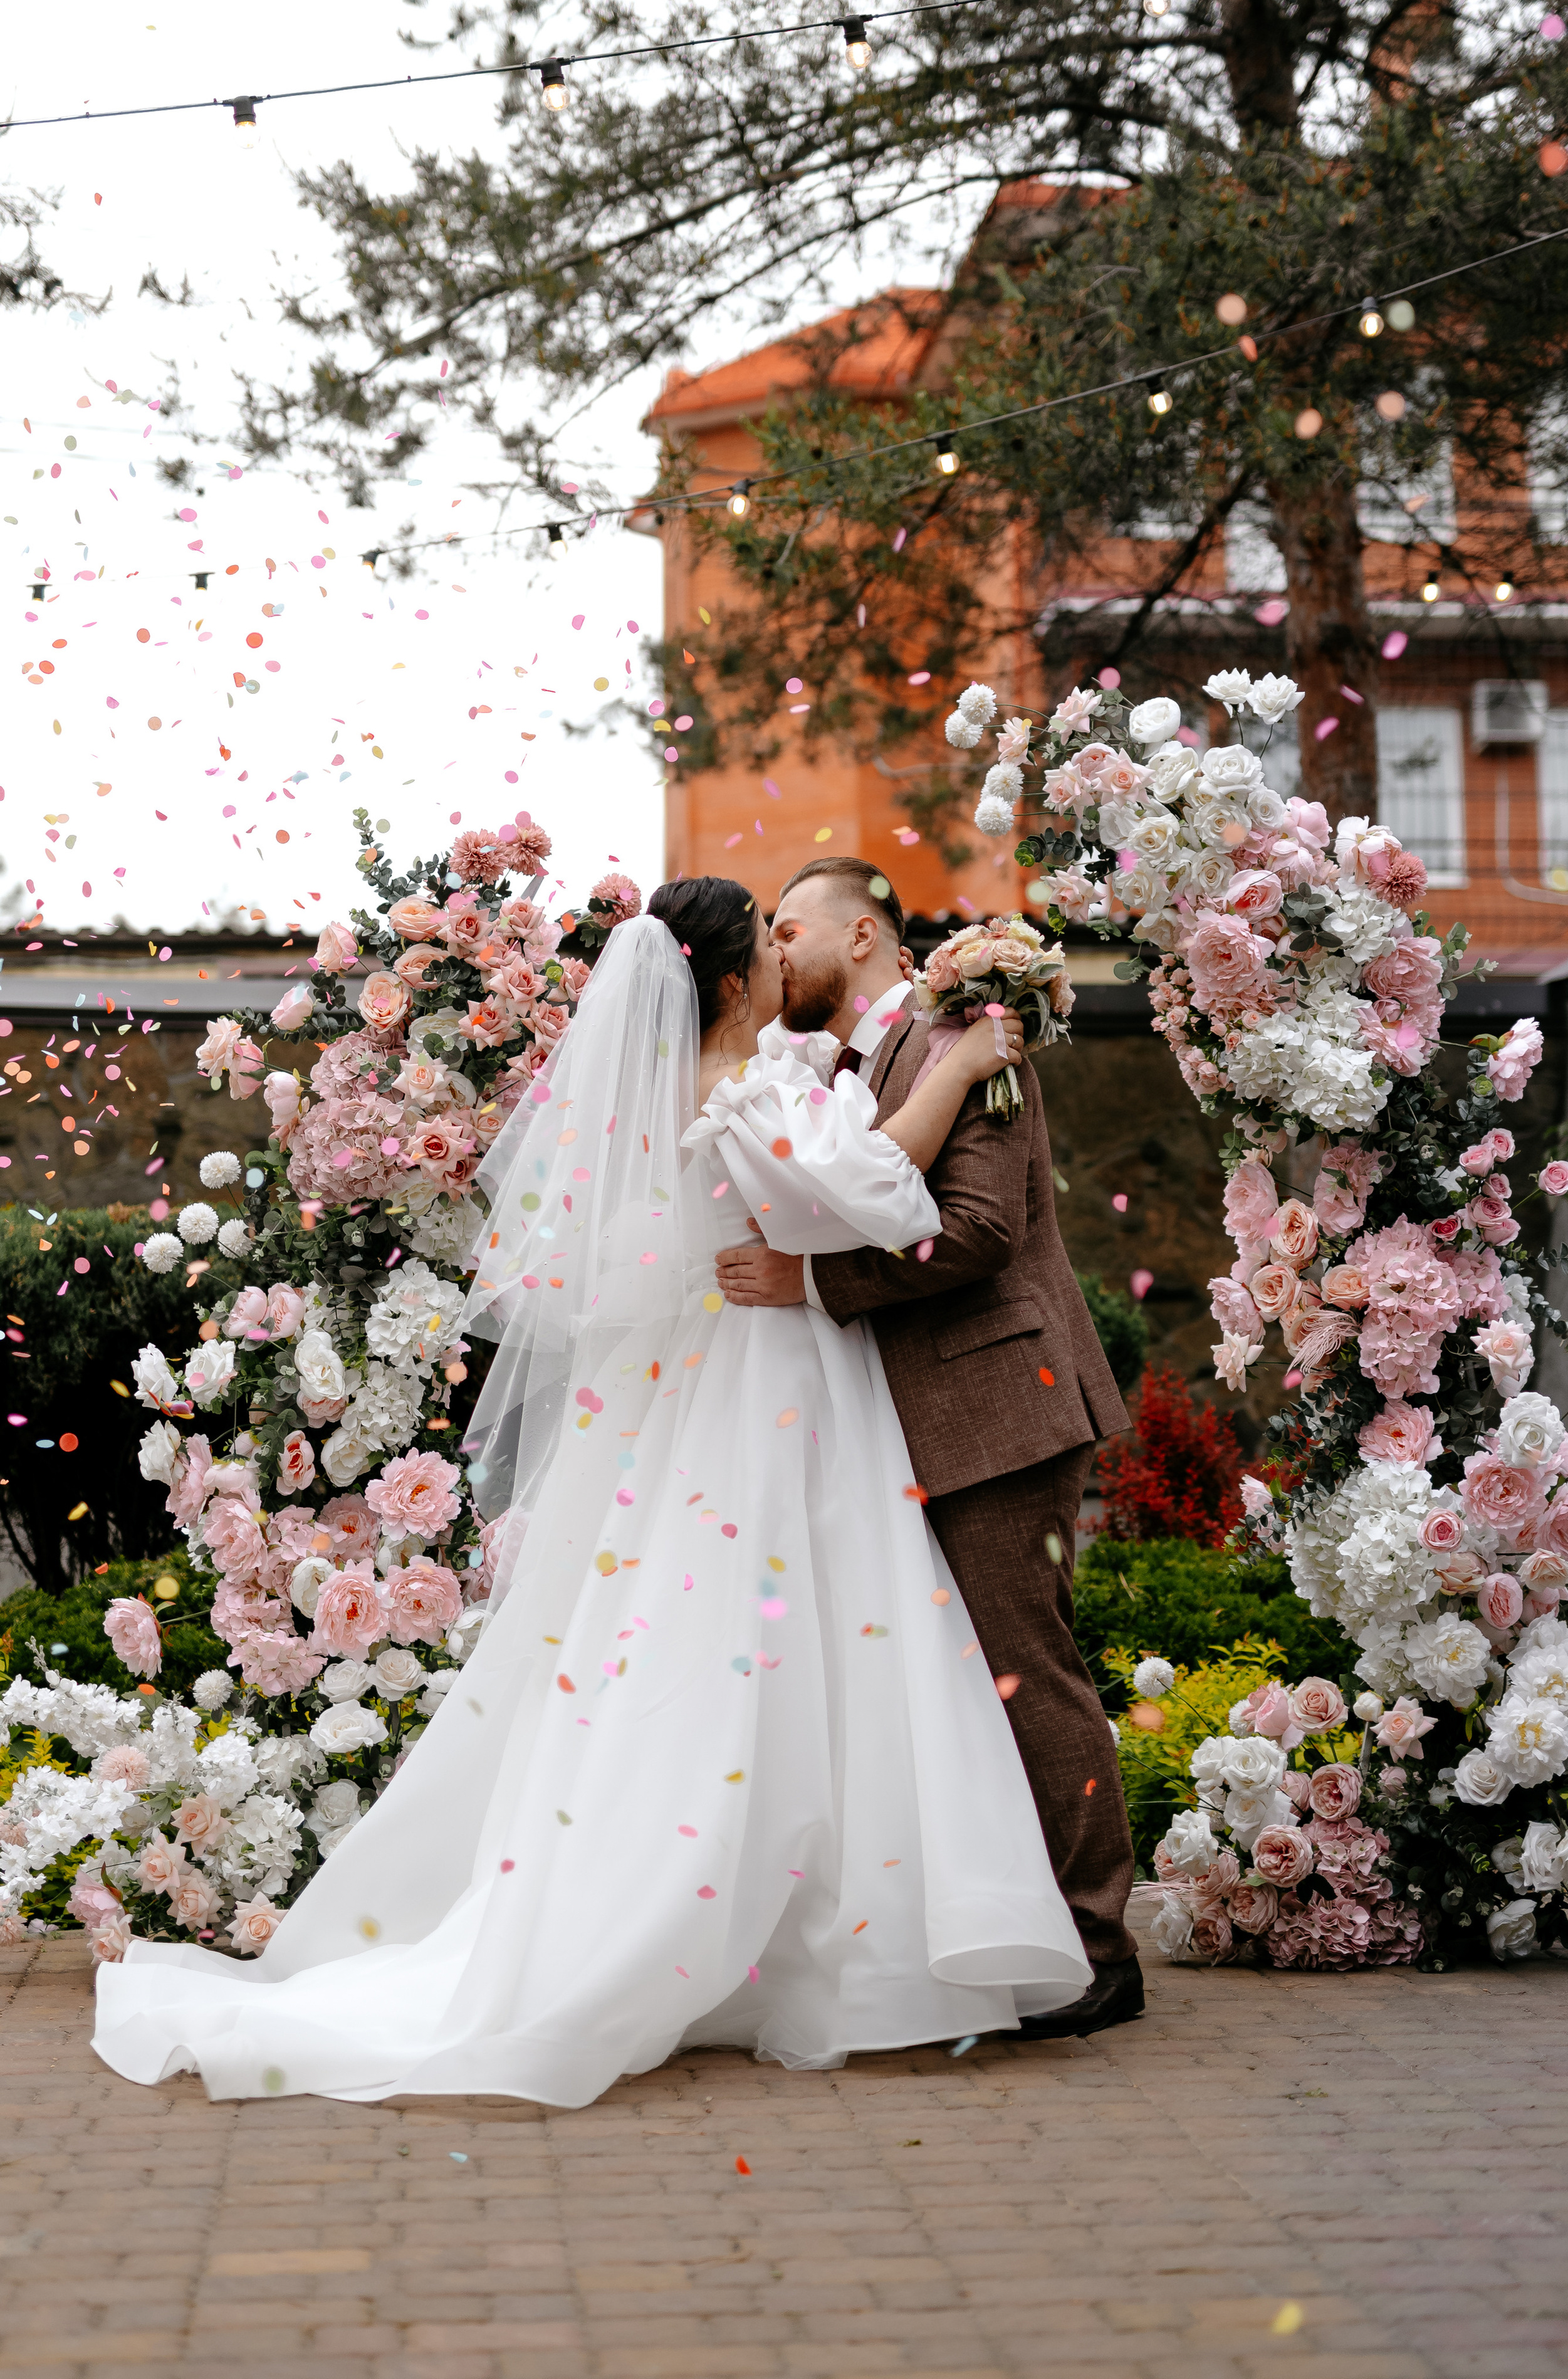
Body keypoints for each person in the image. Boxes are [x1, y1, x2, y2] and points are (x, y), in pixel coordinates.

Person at [91, 883, 1090, 2109]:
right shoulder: (745, 1091)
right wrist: (964, 1065)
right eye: (767, 941)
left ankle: (781, 1926)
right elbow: (886, 1193)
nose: (784, 958)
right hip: (776, 1398)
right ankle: (811, 1936)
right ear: (732, 983)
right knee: (808, 1650)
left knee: (758, 1656)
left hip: (730, 1391)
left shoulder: (701, 1089)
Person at [717, 857, 1142, 2039]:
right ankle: (1020, 1933)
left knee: (1026, 1671)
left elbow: (981, 1230)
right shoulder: (854, 1067)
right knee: (968, 1688)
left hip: (998, 1403)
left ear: (863, 936)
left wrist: (812, 1284)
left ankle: (1101, 1950)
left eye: (789, 926)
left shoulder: (969, 1036)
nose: (775, 949)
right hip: (914, 1422)